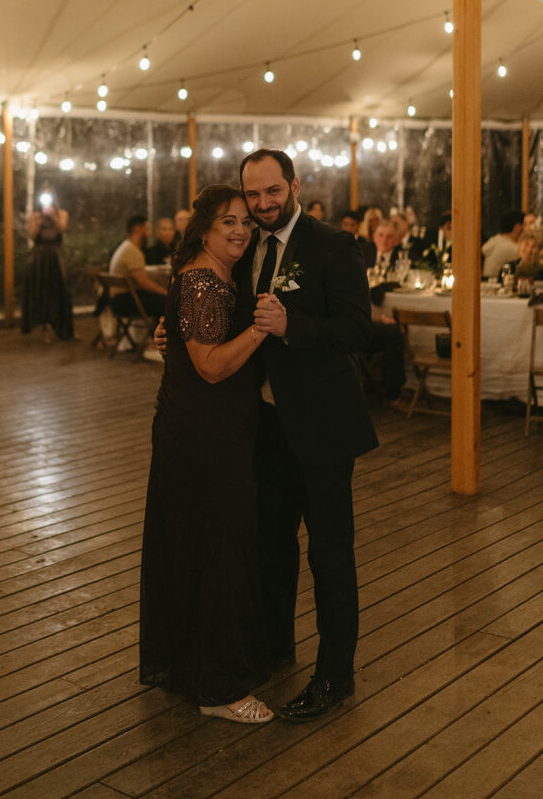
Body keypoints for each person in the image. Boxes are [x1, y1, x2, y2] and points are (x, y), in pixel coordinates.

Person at [238, 151, 378, 721]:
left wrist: (293, 327)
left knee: (329, 554)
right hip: (266, 425)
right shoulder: (248, 244)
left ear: (295, 185)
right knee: (270, 545)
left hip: (322, 425)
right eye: (253, 196)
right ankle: (274, 650)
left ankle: (334, 675)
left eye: (273, 191)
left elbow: (357, 331)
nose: (265, 204)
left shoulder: (333, 245)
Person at [140, 185, 274, 724]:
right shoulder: (202, 280)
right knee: (219, 550)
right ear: (204, 230)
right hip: (205, 439)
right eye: (228, 223)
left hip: (196, 431)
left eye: (246, 221)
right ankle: (218, 689)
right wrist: (260, 330)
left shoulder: (208, 276)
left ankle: (191, 663)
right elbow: (212, 367)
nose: (241, 230)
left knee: (196, 546)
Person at [21, 187, 74, 341]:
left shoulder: (62, 213)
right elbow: (32, 236)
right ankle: (45, 327)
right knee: (42, 290)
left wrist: (53, 216)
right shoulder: (35, 215)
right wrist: (37, 222)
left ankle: (63, 326)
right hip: (40, 256)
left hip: (56, 255)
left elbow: (62, 228)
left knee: (60, 289)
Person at [109, 216, 167, 318]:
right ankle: (161, 333)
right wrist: (166, 292)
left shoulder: (126, 246)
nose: (150, 234)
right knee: (169, 302)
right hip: (124, 301)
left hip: (117, 300)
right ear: (138, 229)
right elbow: (144, 283)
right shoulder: (132, 251)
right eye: (147, 229)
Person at [482, 210, 524, 278]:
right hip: (498, 285)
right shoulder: (511, 248)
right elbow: (526, 264)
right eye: (524, 225)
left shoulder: (494, 240)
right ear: (517, 228)